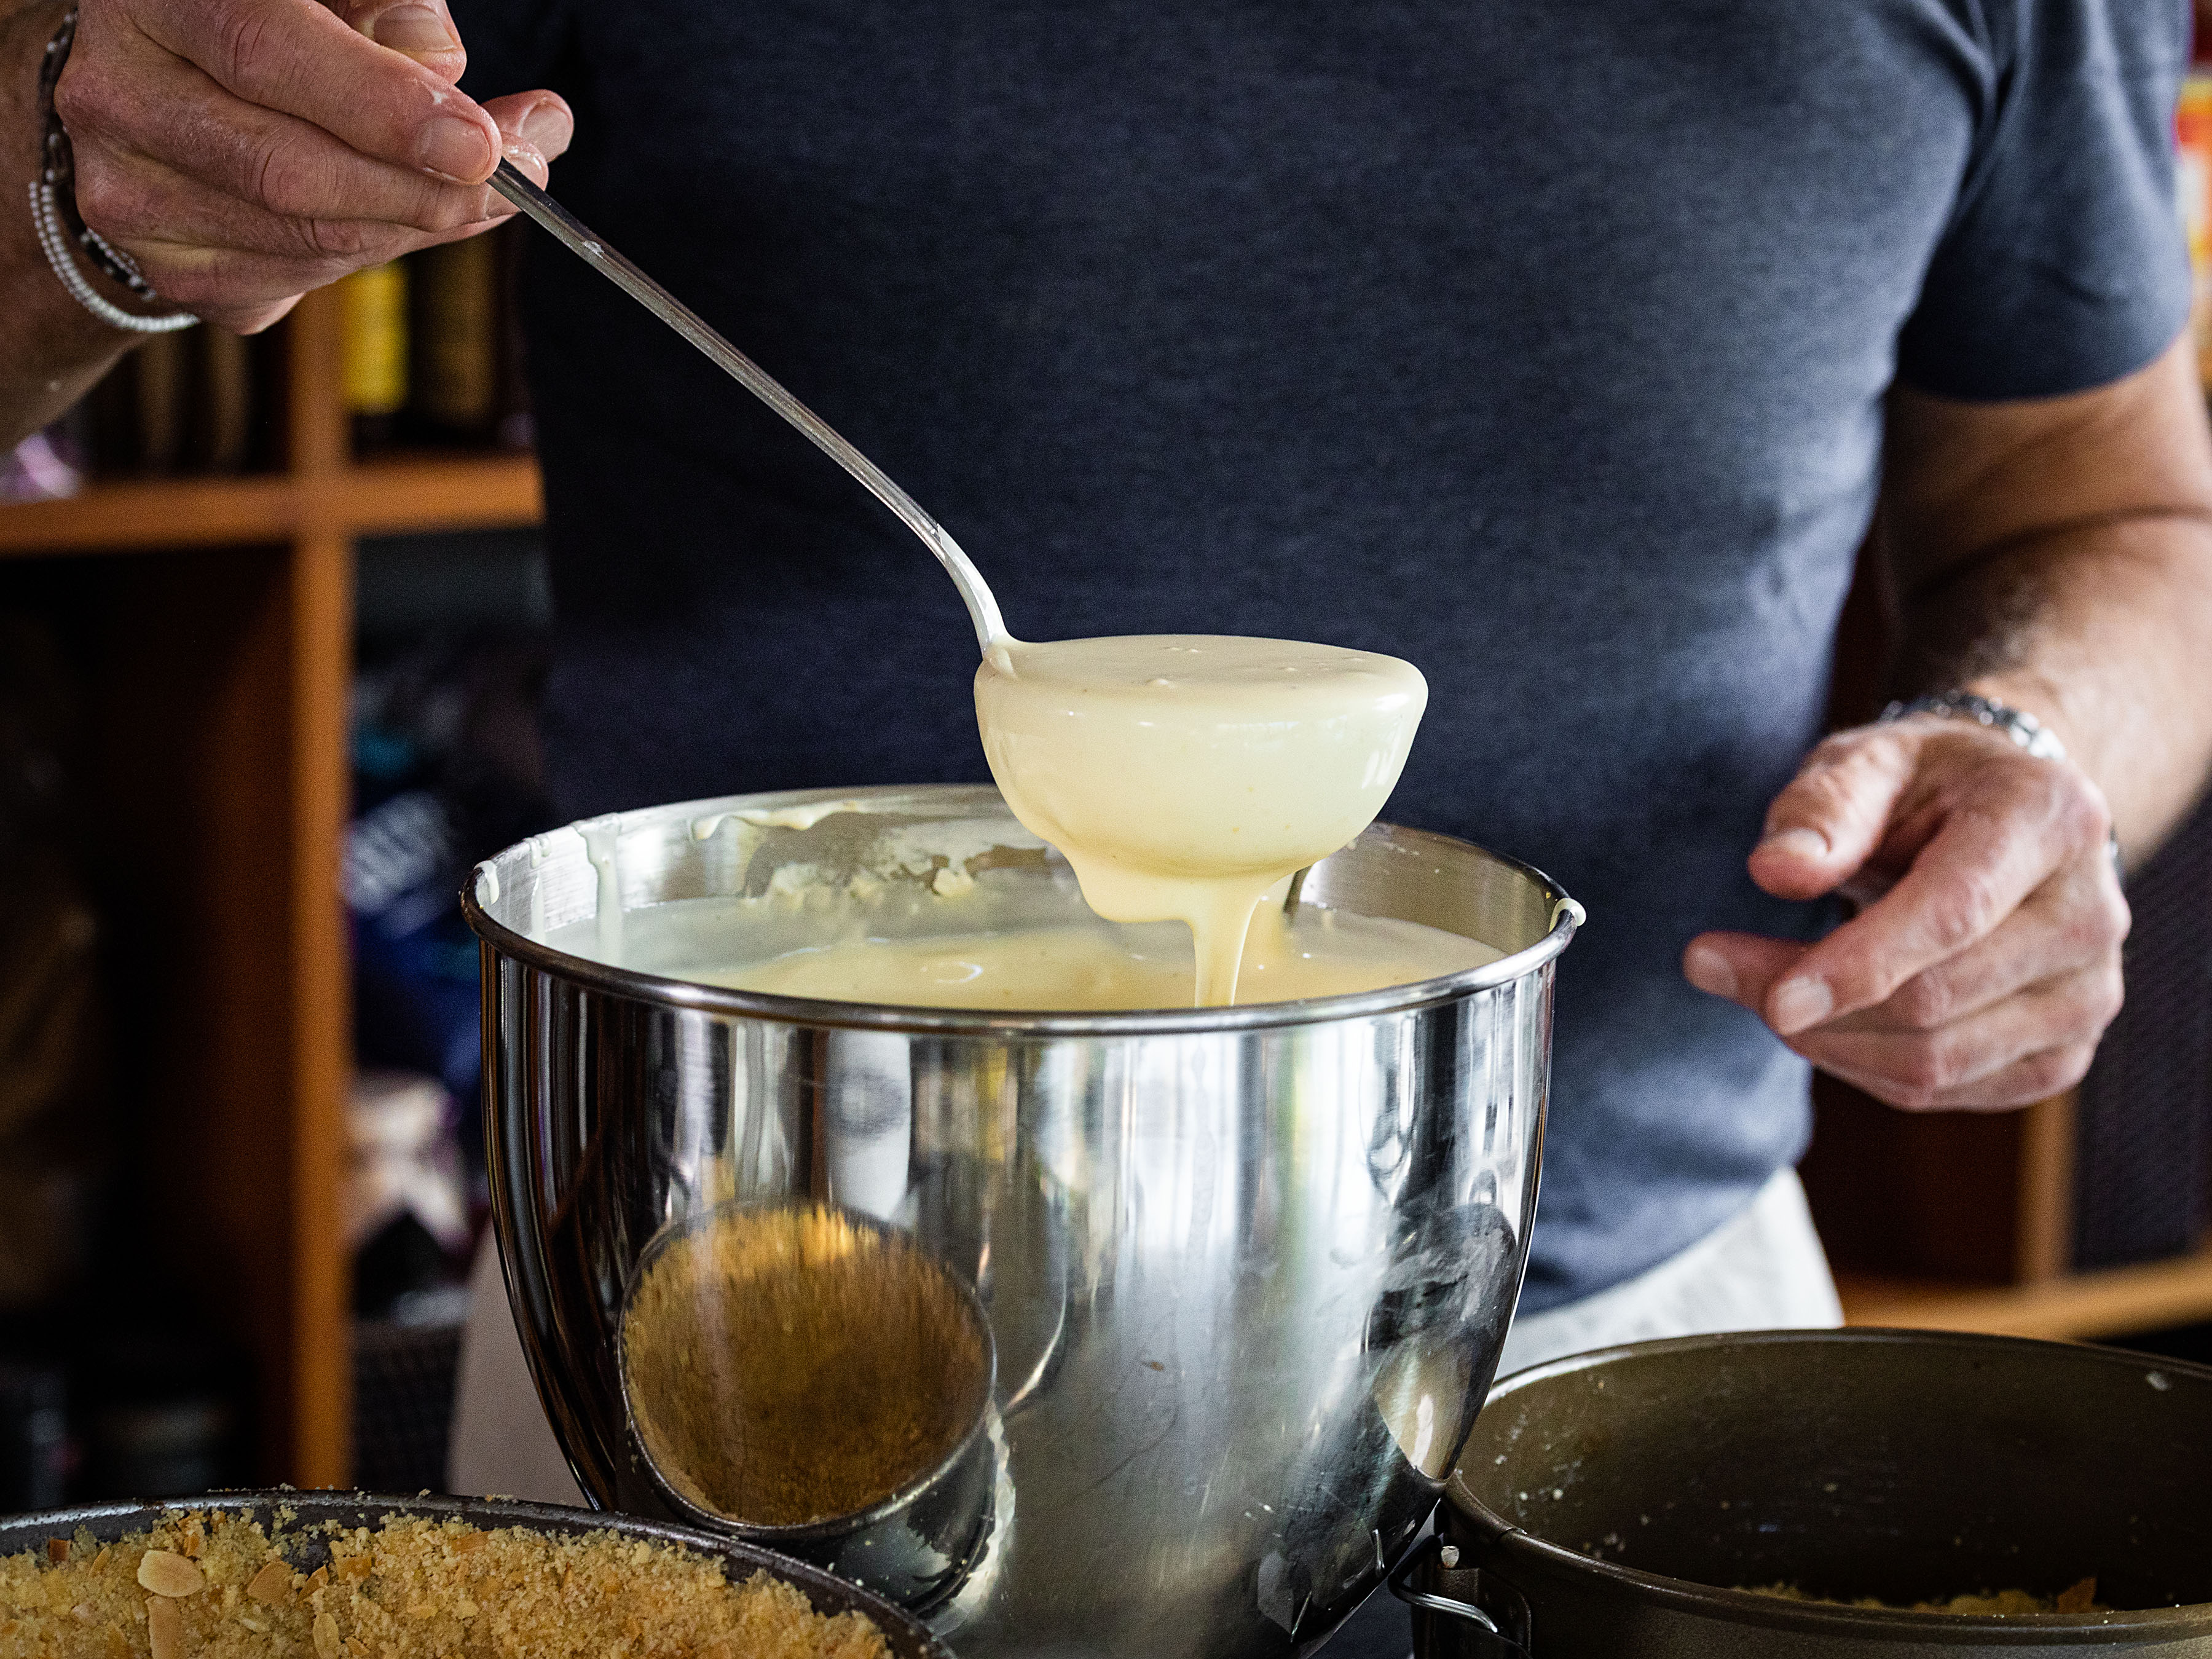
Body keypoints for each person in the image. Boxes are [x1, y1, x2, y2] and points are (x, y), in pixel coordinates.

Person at [6, 0, 2211, 1651]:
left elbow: (2105, 498)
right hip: (736, 1373)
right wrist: (72, 180)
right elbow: (108, 157)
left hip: (1624, 1371)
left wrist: (2024, 745)